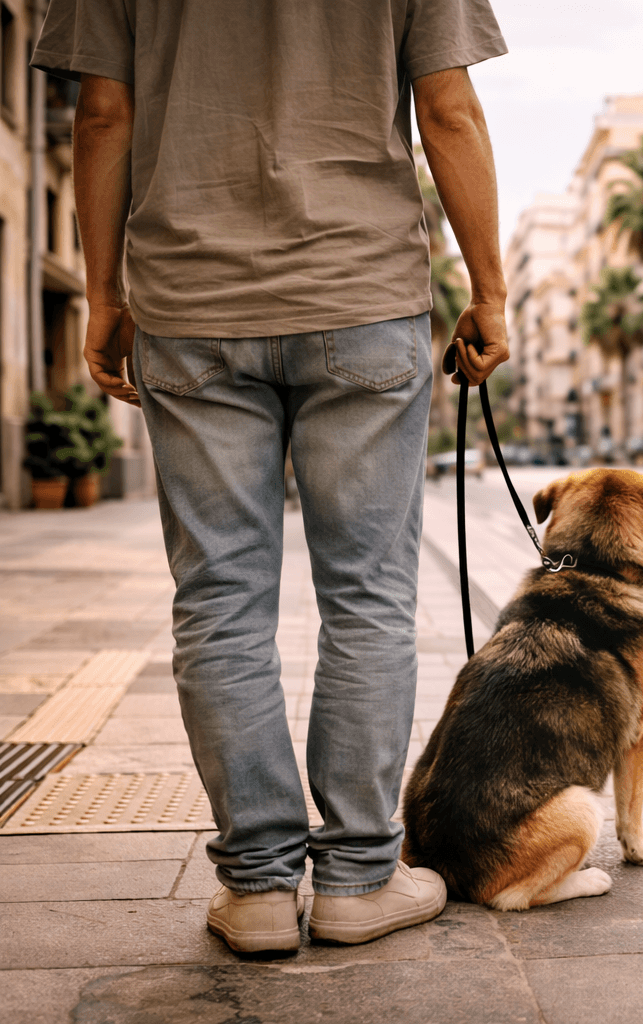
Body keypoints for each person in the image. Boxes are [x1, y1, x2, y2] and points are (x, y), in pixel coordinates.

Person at [38, 1, 510, 953]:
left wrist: (102, 294)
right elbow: (447, 109)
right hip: (361, 295)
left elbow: (101, 114)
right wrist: (489, 289)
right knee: (370, 596)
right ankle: (357, 880)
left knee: (219, 600)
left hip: (190, 297)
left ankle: (256, 888)